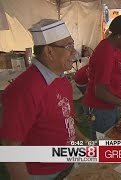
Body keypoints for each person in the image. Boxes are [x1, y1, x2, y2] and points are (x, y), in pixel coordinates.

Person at [0, 19, 88, 180]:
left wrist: (85, 143)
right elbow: (10, 145)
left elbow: (66, 120)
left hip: (68, 162)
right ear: (49, 52)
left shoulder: (61, 78)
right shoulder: (24, 89)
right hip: (41, 174)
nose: (74, 52)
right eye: (68, 46)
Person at [82, 15, 121, 140]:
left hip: (111, 105)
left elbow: (112, 84)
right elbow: (100, 92)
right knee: (105, 148)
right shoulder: (105, 52)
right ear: (119, 35)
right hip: (100, 108)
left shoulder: (116, 49)